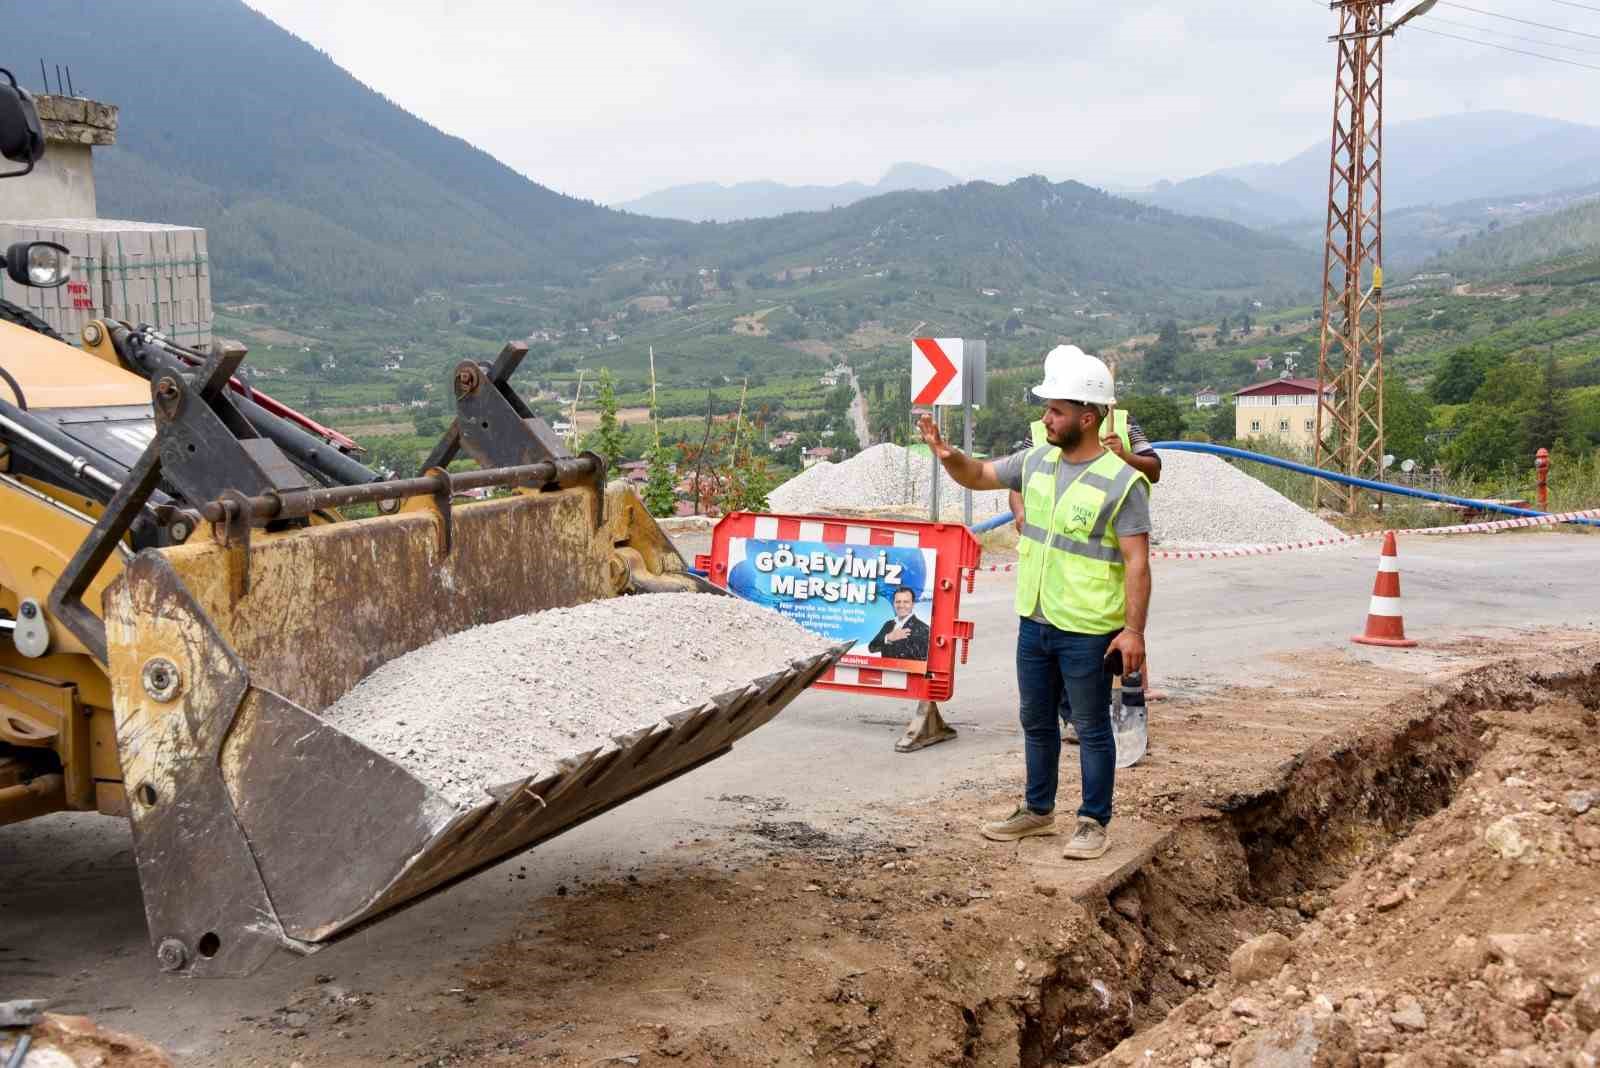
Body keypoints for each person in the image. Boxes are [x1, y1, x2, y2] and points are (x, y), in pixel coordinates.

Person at [919, 344, 1151, 860]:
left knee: (1090, 727)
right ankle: (1037, 812)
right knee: (1036, 719)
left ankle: (1092, 822)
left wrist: (1132, 632)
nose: (1046, 418)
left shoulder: (1123, 481)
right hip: (1036, 619)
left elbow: (1138, 562)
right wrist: (948, 456)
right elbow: (979, 475)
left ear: (1087, 417)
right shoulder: (1036, 460)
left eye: (1056, 411)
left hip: (1089, 626)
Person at [867, 586, 931, 660]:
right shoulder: (888, 624)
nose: (901, 605)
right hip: (886, 670)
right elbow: (871, 647)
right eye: (898, 602)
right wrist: (888, 638)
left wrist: (901, 642)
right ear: (894, 604)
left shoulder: (924, 628)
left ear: (913, 604)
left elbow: (923, 661)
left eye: (906, 602)